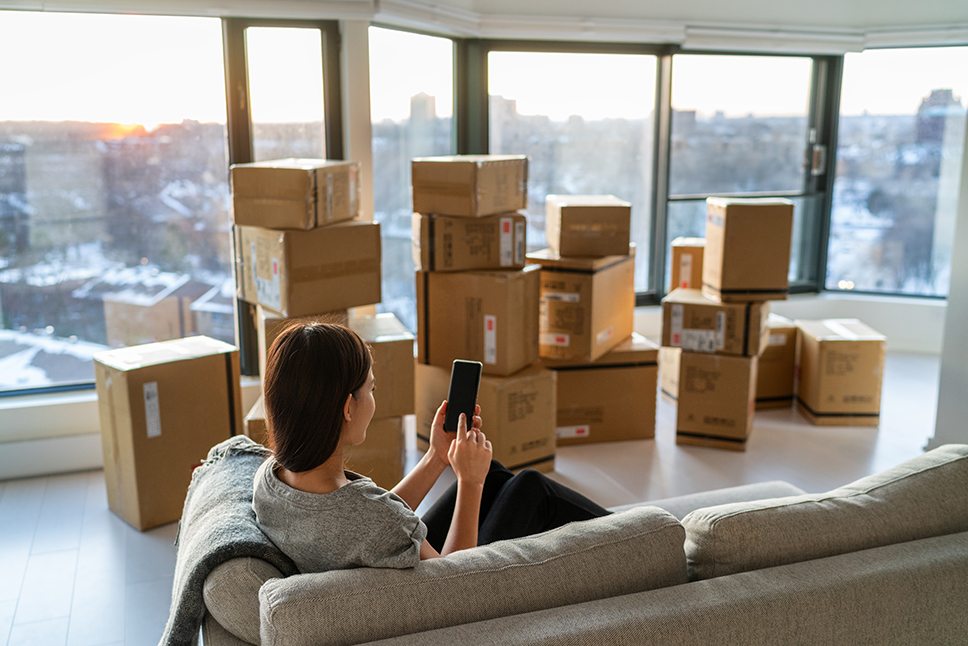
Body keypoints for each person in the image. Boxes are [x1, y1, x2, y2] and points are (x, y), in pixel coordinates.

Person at [252, 320, 610, 574]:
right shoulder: (373, 519)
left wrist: (437, 457)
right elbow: (454, 583)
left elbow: (364, 520)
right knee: (531, 488)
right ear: (348, 408)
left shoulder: (270, 479)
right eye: (371, 389)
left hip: (373, 560)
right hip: (445, 590)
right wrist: (470, 482)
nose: (374, 400)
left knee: (498, 476)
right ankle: (641, 536)